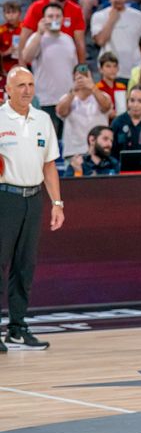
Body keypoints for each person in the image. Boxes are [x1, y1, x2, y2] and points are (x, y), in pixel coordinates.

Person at [0, 67, 63, 352]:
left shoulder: (43, 119)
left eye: (30, 84)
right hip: (5, 197)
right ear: (8, 90)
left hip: (34, 197)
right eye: (20, 85)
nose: (27, 90)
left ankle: (17, 327)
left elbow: (49, 164)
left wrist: (57, 203)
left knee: (25, 266)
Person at [20, 3, 78, 138]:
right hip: (46, 100)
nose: (54, 19)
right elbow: (26, 57)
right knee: (47, 142)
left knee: (66, 142)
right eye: (50, 16)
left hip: (68, 100)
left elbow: (74, 69)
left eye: (58, 16)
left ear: (63, 19)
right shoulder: (37, 38)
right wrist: (40, 33)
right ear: (43, 19)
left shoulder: (68, 40)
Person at [18, 0, 86, 65]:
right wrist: (22, 64)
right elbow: (24, 36)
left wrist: (82, 67)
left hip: (65, 60)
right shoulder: (37, 7)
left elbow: (80, 43)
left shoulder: (76, 10)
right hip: (38, 59)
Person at [92, 0, 141, 75]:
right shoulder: (99, 16)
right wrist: (111, 20)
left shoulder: (139, 16)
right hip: (110, 71)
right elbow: (100, 41)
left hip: (136, 69)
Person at [56, 63, 114, 157]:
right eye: (79, 76)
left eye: (85, 76)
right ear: (73, 78)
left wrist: (93, 87)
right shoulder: (67, 98)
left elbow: (106, 106)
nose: (82, 79)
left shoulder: (102, 95)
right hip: (74, 153)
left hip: (99, 151)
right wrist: (73, 91)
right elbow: (61, 112)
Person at [0, 1, 22, 85]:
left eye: (14, 12)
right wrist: (6, 52)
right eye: (8, 12)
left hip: (23, 68)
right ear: (4, 15)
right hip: (5, 70)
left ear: (19, 13)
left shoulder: (25, 29)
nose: (11, 15)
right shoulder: (1, 30)